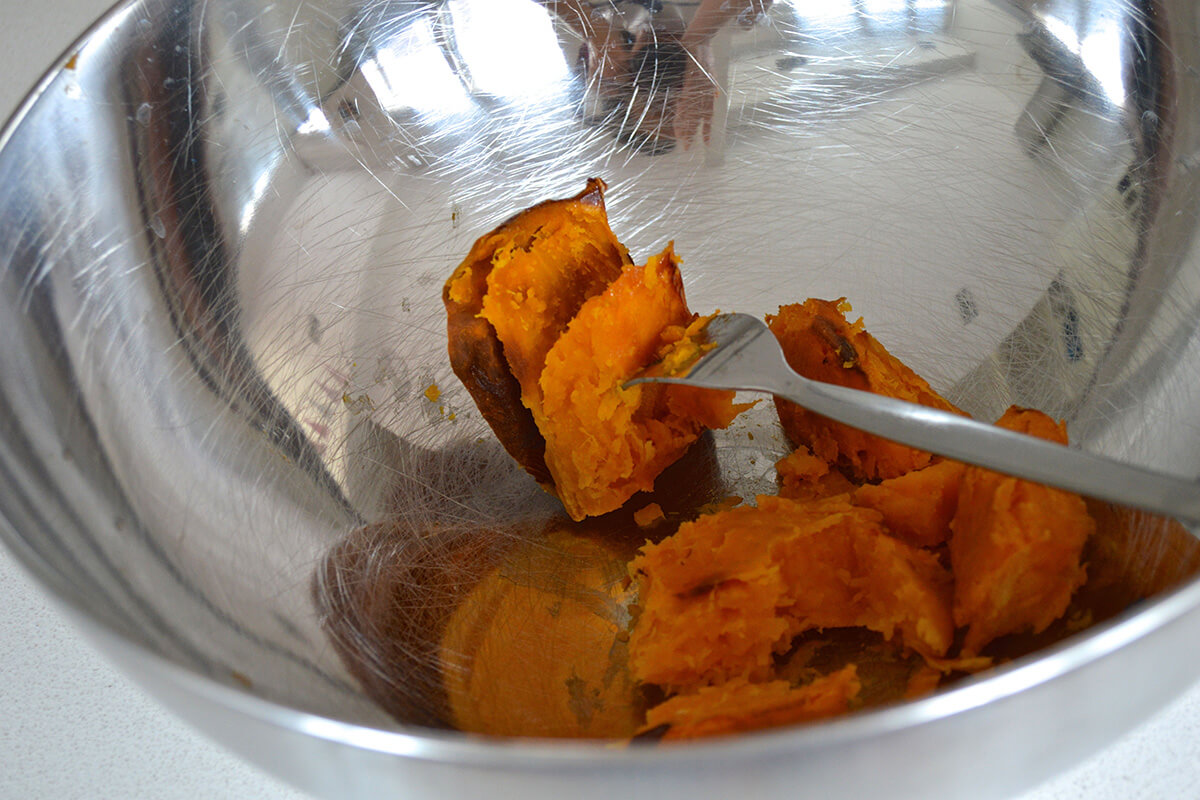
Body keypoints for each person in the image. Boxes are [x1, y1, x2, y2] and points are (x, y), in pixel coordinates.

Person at [543, 0, 774, 148]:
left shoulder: (590, 7)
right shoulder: (738, 15)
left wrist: (594, 30)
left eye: (654, 106)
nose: (663, 86)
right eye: (679, 105)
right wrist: (699, 37)